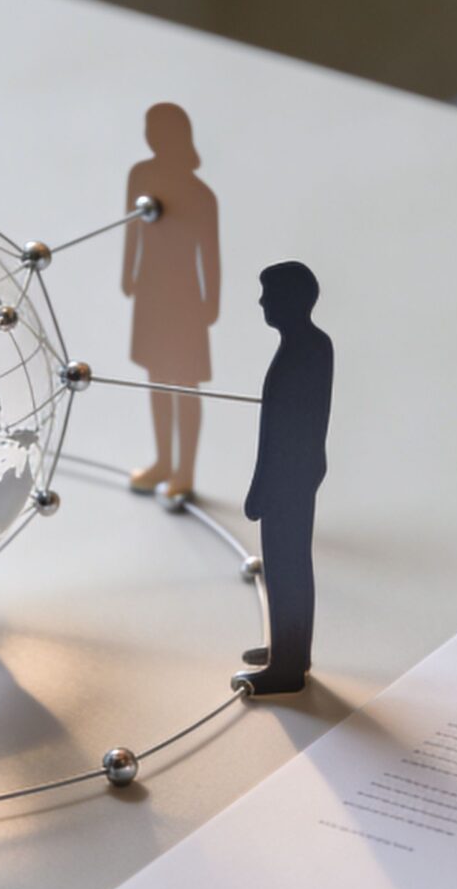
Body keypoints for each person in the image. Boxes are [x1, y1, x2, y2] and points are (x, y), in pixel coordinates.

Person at [238, 261, 333, 696]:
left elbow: (284, 432)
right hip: (296, 473)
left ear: (291, 299)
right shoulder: (310, 345)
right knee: (287, 566)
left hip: (288, 478)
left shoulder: (304, 350)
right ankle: (289, 650)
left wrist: (261, 488)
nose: (262, 301)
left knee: (287, 568)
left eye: (269, 294)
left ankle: (288, 666)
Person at [121, 102, 221, 500]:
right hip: (150, 289)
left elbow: (210, 253)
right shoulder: (140, 175)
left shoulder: (201, 195)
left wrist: (211, 300)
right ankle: (163, 461)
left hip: (185, 294)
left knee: (187, 383)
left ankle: (184, 472)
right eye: (151, 130)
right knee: (158, 379)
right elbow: (132, 228)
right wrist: (127, 273)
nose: (154, 137)